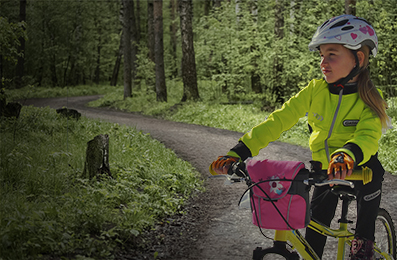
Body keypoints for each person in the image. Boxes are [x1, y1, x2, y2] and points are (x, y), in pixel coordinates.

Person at [209, 14, 390, 260]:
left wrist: (347, 154)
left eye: (332, 54)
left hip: (359, 166)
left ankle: (364, 243)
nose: (323, 62)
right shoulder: (314, 90)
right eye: (321, 55)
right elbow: (278, 121)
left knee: (365, 219)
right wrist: (239, 151)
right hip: (324, 170)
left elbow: (368, 134)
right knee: (311, 244)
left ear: (358, 58)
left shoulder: (370, 96)